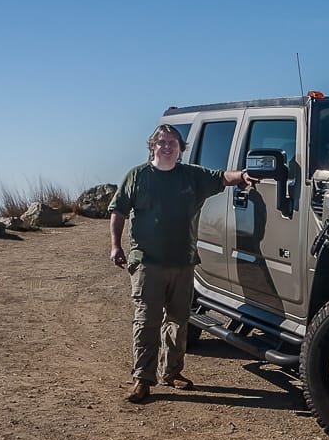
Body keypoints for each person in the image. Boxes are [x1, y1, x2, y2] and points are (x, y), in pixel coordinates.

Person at [108, 123, 256, 404]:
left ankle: (172, 372)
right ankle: (142, 379)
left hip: (183, 263)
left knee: (178, 321)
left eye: (172, 143)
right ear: (153, 146)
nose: (167, 147)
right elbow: (118, 211)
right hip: (147, 264)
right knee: (147, 321)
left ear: (180, 148)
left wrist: (243, 175)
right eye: (162, 142)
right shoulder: (137, 176)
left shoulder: (191, 176)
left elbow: (222, 177)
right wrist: (115, 245)